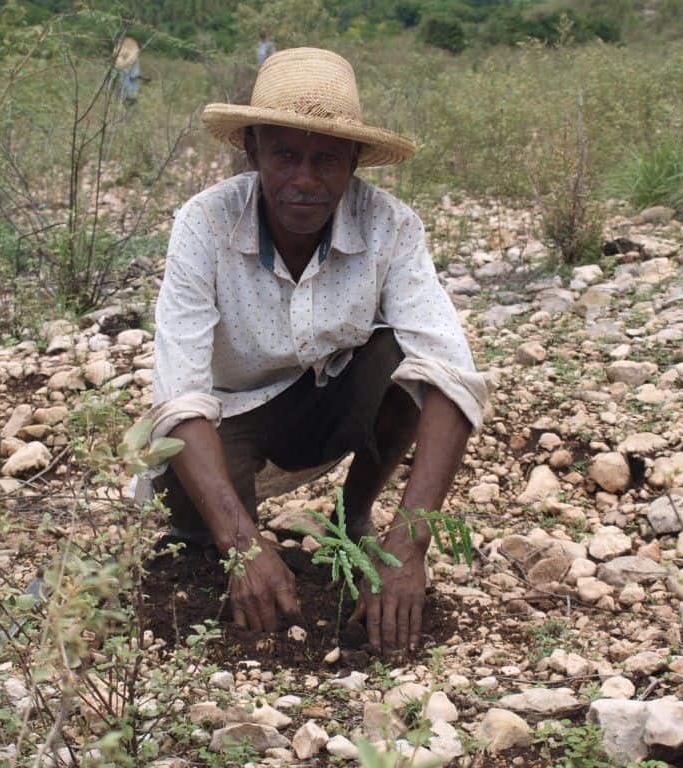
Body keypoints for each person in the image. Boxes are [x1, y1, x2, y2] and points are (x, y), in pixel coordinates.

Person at [146, 48, 487, 654]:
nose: (305, 180)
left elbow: (454, 376)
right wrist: (244, 545)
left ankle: (353, 519)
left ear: (354, 161)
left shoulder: (391, 227)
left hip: (332, 399)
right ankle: (225, 536)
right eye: (285, 155)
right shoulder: (205, 224)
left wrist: (407, 548)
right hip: (232, 417)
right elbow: (180, 397)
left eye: (327, 159)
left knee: (403, 360)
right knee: (201, 537)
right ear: (252, 151)